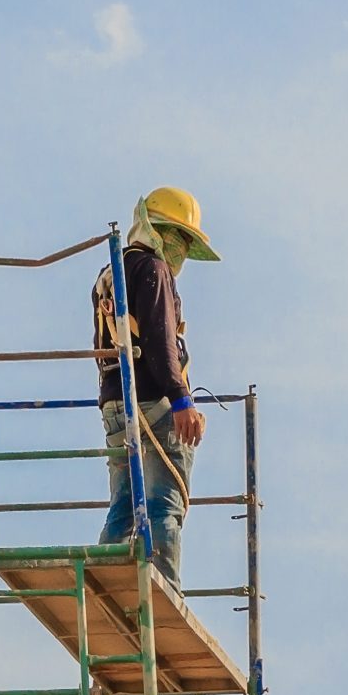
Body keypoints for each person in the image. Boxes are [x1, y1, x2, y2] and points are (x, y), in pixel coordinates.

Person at [95, 187, 219, 585]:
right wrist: (182, 399)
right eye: (179, 238)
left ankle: (105, 584)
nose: (180, 251)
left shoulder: (109, 274)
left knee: (125, 505)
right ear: (157, 231)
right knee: (165, 503)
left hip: (116, 406)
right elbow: (160, 338)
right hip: (154, 401)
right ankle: (165, 590)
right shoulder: (152, 270)